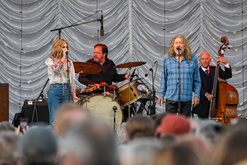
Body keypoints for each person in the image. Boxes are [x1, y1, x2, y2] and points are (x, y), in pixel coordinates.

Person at [158, 35, 201, 117]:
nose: (178, 45)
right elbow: (164, 77)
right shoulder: (167, 58)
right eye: (176, 43)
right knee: (170, 125)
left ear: (185, 46)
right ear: (173, 46)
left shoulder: (192, 59)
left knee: (185, 126)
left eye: (181, 43)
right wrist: (161, 94)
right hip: (171, 97)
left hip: (186, 98)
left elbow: (197, 80)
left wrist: (196, 96)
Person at [45, 39, 80, 126]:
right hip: (55, 89)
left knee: (66, 119)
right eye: (63, 47)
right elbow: (56, 70)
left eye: (66, 47)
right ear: (58, 48)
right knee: (54, 120)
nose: (66, 49)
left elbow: (72, 79)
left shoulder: (69, 62)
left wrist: (74, 95)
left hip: (66, 89)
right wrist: (63, 57)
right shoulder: (50, 60)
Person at [192, 52, 232, 118]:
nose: (205, 61)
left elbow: (227, 75)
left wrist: (225, 62)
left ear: (210, 60)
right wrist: (206, 94)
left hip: (217, 105)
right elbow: (194, 87)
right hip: (202, 106)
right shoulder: (196, 72)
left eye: (206, 59)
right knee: (204, 126)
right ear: (199, 61)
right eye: (203, 59)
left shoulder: (216, 69)